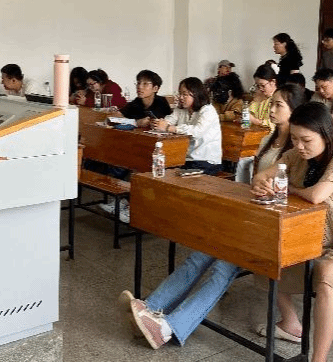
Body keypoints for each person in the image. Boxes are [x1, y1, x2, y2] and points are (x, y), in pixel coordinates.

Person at [118, 84, 306, 350]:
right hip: (253, 216)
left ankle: (168, 328)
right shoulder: (268, 139)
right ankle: (150, 308)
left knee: (223, 267)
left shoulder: (298, 149)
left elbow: (295, 193)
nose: (271, 110)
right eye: (272, 103)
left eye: (279, 105)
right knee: (200, 254)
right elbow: (254, 182)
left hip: (274, 227)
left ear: (295, 111)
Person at [251, 102, 333, 362]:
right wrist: (261, 183)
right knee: (266, 254)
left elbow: (318, 195)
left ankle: (318, 359)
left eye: (306, 140)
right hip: (313, 240)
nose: (299, 146)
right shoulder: (296, 155)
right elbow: (262, 175)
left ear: (326, 134)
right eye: (295, 139)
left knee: (327, 274)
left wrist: (287, 189)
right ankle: (290, 322)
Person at [152, 77, 222, 175]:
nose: (181, 97)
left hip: (206, 161)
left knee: (170, 174)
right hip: (186, 159)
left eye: (184, 94)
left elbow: (197, 132)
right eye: (180, 94)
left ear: (196, 94)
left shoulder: (208, 110)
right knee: (160, 168)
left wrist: (169, 128)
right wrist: (158, 123)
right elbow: (169, 120)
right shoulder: (181, 110)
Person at [250, 63, 279, 131]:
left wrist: (256, 121)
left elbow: (275, 124)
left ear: (273, 82)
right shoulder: (261, 96)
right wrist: (255, 101)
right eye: (258, 86)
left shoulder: (279, 99)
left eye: (262, 85)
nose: (260, 88)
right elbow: (250, 114)